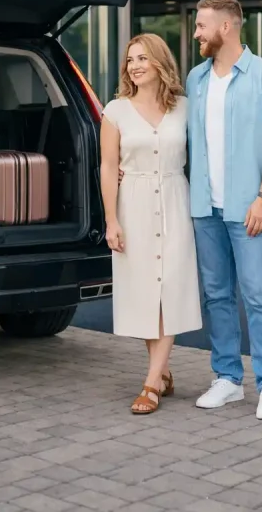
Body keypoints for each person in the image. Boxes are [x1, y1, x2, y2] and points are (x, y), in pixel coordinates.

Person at [186, 0, 262, 420]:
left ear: (226, 28)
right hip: (204, 207)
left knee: (258, 294)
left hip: (250, 207)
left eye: (201, 26)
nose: (196, 33)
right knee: (216, 295)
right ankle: (228, 378)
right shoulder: (195, 79)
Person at [100, 33, 202, 414]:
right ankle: (162, 372)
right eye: (130, 60)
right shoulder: (115, 111)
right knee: (145, 294)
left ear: (160, 62)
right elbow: (109, 167)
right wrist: (111, 219)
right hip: (134, 205)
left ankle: (151, 382)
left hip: (176, 200)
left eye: (143, 58)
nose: (136, 65)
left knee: (169, 289)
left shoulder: (185, 108)